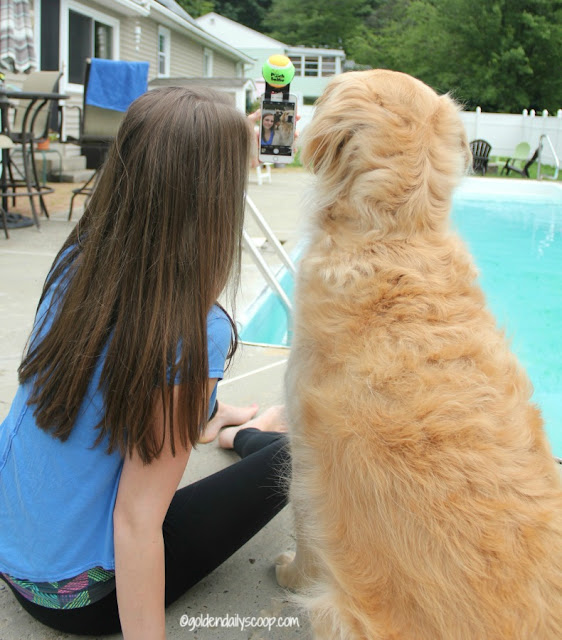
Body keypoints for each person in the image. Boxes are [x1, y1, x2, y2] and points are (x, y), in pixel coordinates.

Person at [0, 86, 289, 638]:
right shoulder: (195, 328)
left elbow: (111, 380)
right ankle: (245, 432)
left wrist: (238, 124)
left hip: (10, 540)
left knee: (163, 400)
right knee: (302, 460)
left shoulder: (79, 258)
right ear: (216, 198)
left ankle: (213, 419)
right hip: (73, 595)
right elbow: (136, 522)